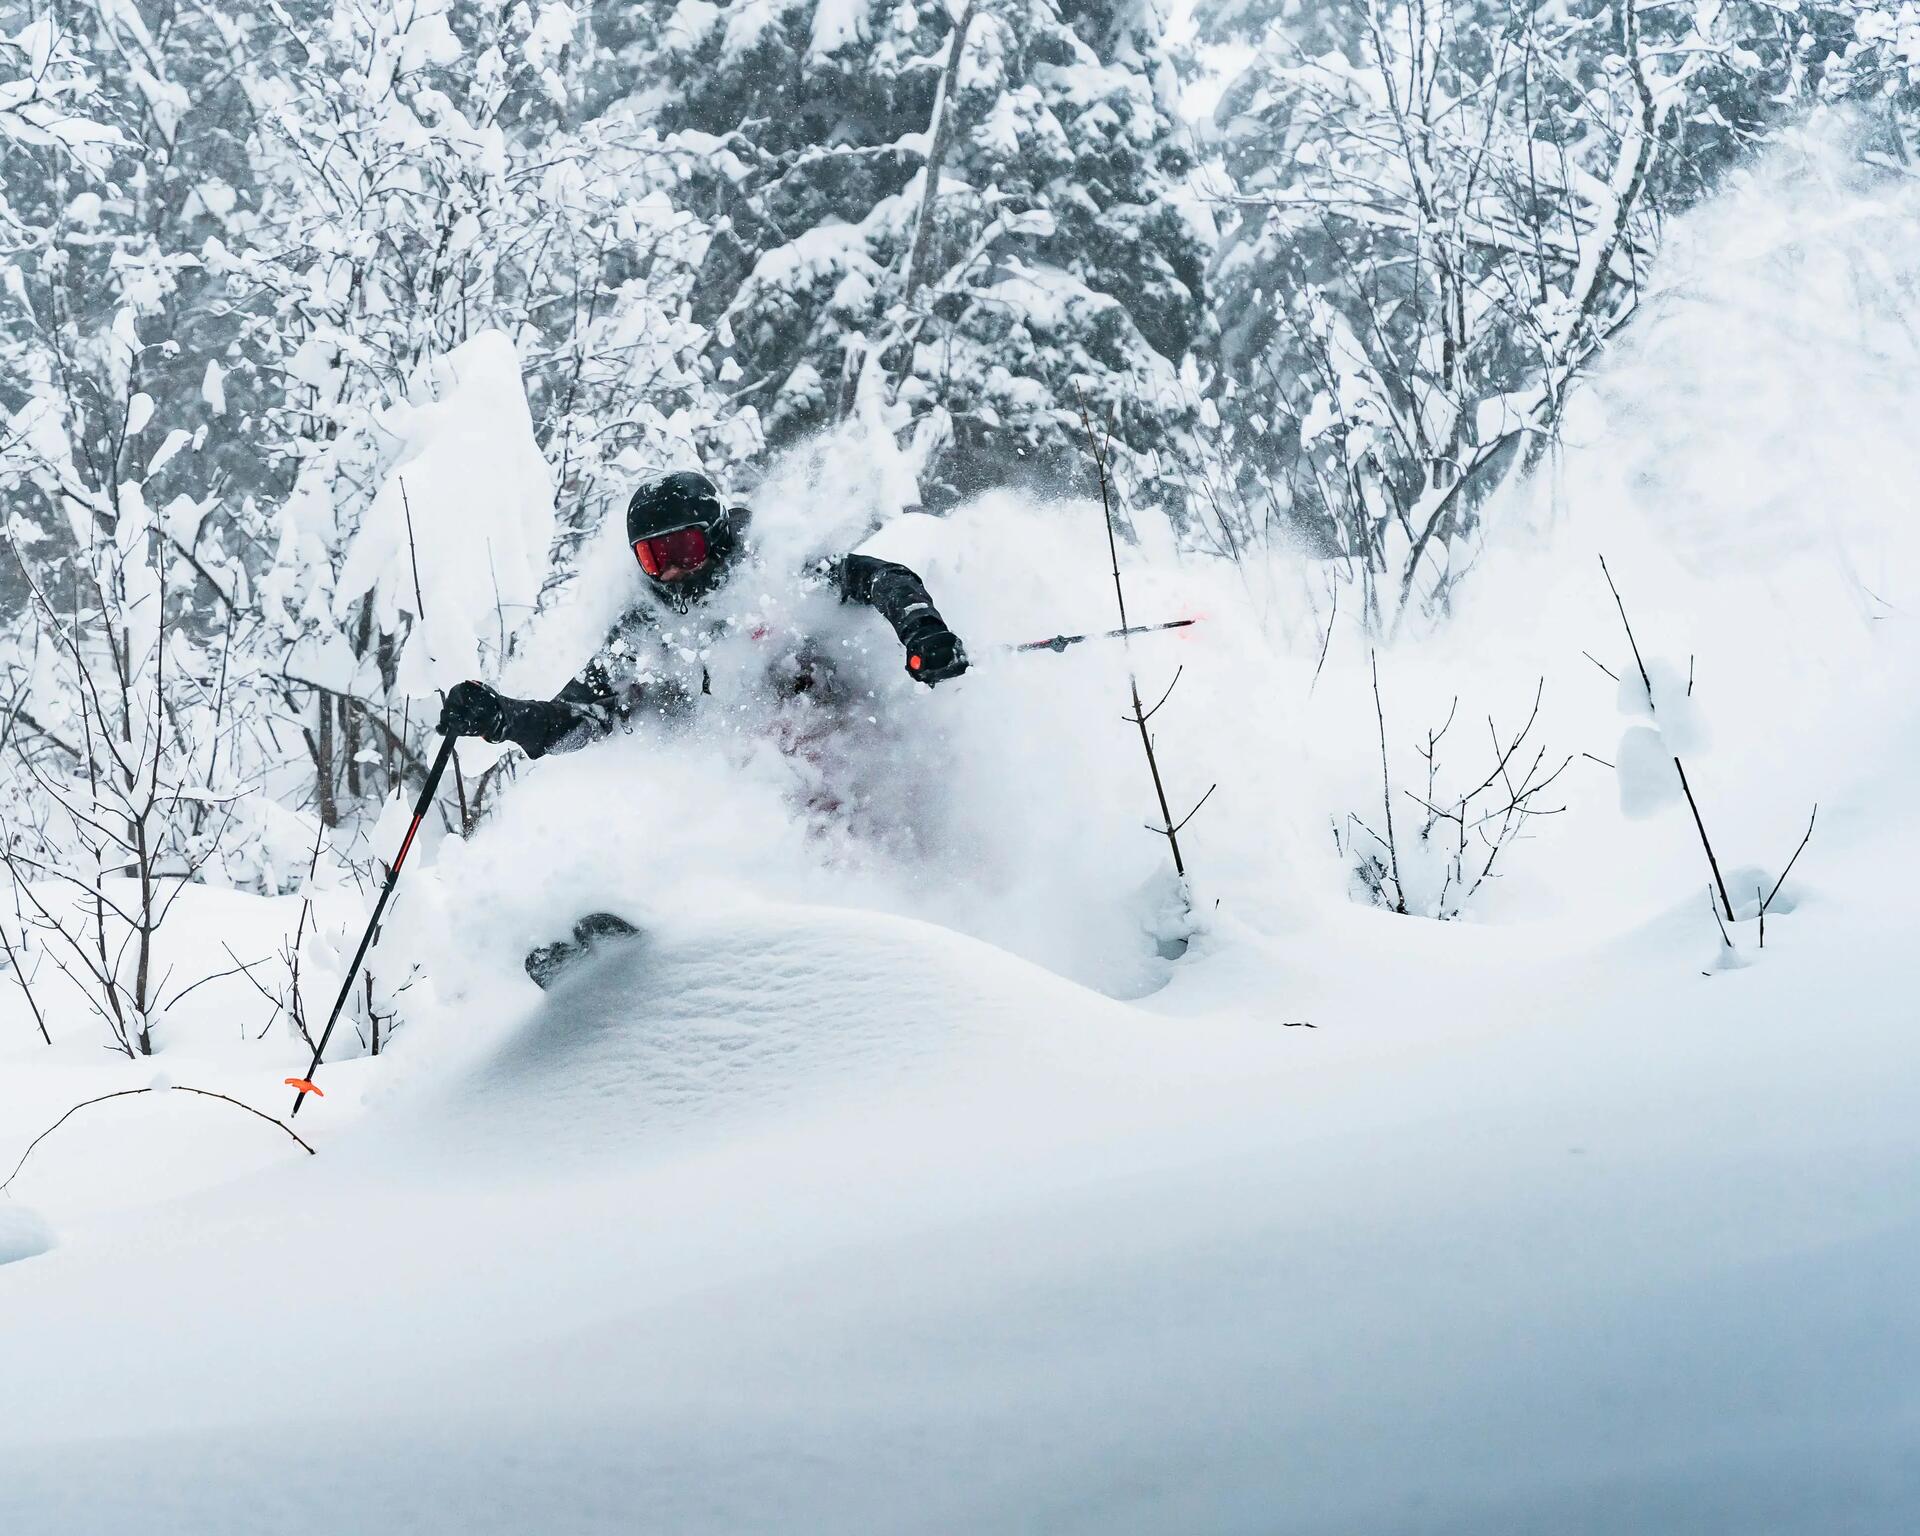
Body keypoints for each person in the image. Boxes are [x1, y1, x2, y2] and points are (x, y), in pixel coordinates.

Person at [435, 470, 969, 760]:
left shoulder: (773, 570)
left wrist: (921, 628)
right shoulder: (646, 631)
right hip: (740, 785)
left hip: (846, 749)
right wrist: (502, 717)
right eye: (653, 559)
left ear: (713, 536)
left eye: (682, 552)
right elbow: (575, 719)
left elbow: (881, 577)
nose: (669, 574)